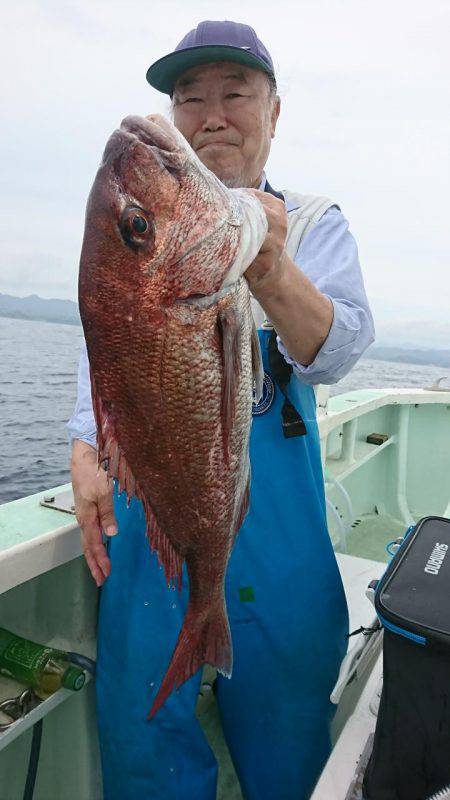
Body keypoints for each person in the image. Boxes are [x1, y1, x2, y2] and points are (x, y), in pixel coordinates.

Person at [68, 20, 375, 800]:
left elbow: (337, 350)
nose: (211, 114)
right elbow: (113, 335)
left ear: (275, 113)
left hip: (279, 530)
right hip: (152, 509)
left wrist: (266, 259)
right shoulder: (145, 213)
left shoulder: (312, 223)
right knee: (144, 731)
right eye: (189, 97)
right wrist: (83, 443)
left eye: (236, 94)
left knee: (285, 727)